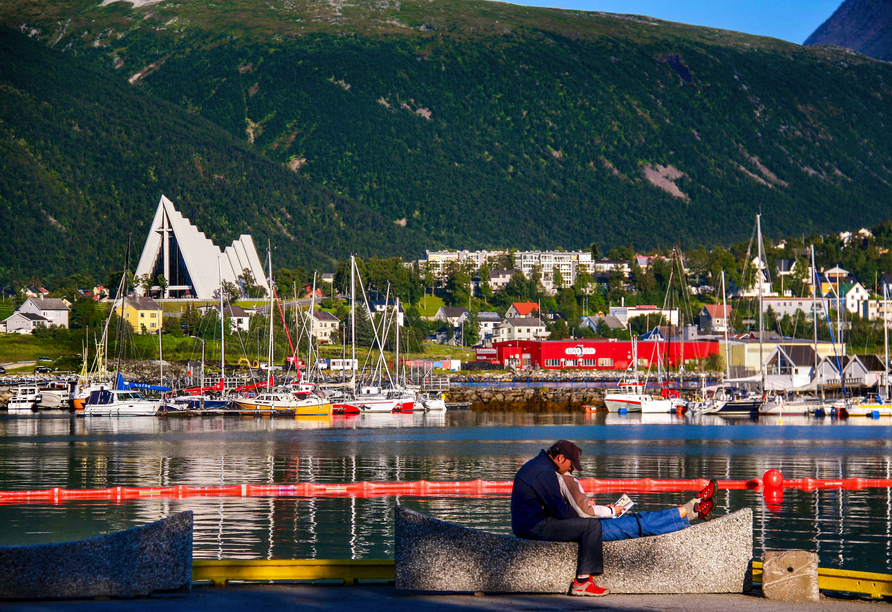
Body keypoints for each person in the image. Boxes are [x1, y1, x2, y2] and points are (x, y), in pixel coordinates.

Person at [511, 440, 717, 597]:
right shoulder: (545, 473)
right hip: (535, 526)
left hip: (539, 522)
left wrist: (594, 510)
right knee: (623, 525)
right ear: (560, 458)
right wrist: (594, 513)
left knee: (632, 521)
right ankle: (582, 582)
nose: (572, 468)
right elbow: (562, 512)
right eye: (571, 464)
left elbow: (565, 509)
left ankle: (691, 510)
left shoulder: (544, 467)